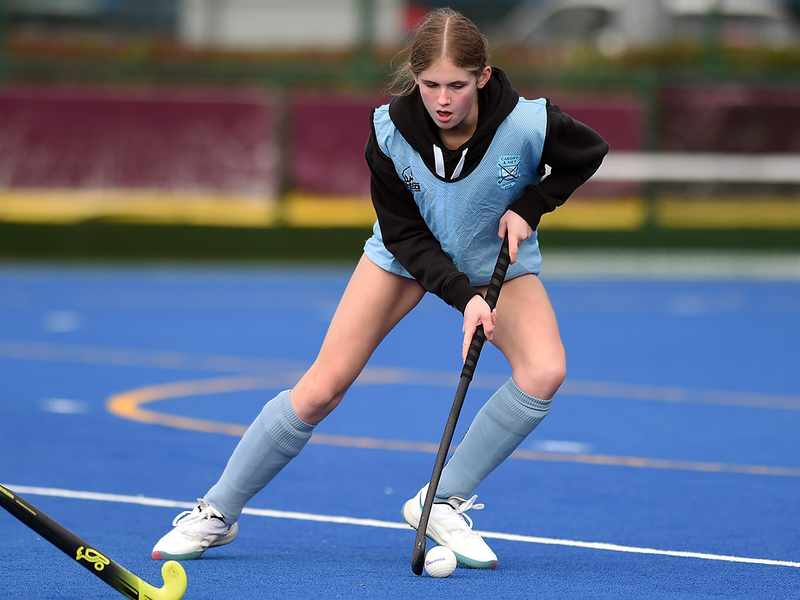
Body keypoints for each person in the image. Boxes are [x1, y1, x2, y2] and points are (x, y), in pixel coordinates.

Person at [151, 8, 608, 569]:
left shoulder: (528, 122)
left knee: (544, 371)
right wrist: (464, 297)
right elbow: (405, 234)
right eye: (431, 85)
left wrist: (531, 205)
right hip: (403, 260)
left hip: (492, 262)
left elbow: (588, 153)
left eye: (457, 85)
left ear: (483, 77)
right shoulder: (389, 131)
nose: (443, 99)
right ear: (415, 78)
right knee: (321, 389)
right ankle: (217, 512)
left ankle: (441, 502)